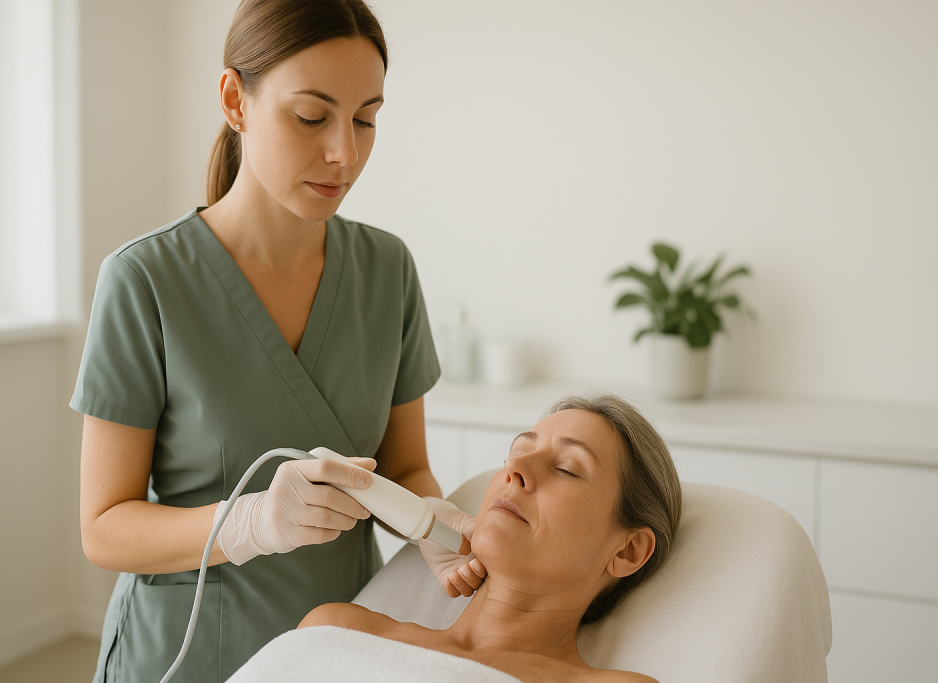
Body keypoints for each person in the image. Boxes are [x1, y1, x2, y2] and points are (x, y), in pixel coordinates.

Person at [71, 2, 472, 681]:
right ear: (236, 100)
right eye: (311, 116)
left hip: (337, 650)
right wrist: (249, 522)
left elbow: (405, 468)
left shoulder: (387, 270)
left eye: (366, 117)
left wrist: (430, 528)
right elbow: (104, 527)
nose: (344, 151)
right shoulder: (145, 279)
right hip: (185, 653)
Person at [298, 394, 684, 682]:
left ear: (627, 550)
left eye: (566, 469)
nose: (515, 468)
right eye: (516, 452)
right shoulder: (338, 630)